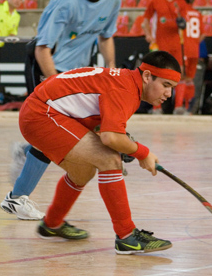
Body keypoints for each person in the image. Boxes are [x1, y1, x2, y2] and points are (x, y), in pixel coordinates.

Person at [0, 0, 120, 221]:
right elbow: (42, 49)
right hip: (48, 65)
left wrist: (111, 69)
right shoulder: (65, 3)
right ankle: (17, 198)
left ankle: (25, 154)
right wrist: (56, 89)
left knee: (65, 132)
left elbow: (105, 36)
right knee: (50, 133)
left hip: (77, 73)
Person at [19, 50, 180, 254]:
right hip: (41, 115)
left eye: (172, 88)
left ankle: (51, 224)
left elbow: (97, 122)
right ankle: (126, 236)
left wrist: (126, 144)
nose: (169, 94)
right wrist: (143, 153)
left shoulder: (126, 82)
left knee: (83, 172)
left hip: (44, 111)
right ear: (147, 76)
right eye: (166, 85)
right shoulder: (126, 89)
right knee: (109, 159)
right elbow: (110, 137)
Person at [142, 0, 189, 114]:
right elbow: (145, 20)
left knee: (180, 74)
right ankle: (156, 108)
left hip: (176, 44)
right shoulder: (155, 1)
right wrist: (148, 35)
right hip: (160, 44)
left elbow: (184, 23)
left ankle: (178, 107)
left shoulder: (181, 2)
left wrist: (182, 23)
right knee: (157, 76)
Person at [173, 0, 203, 115]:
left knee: (181, 77)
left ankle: (178, 107)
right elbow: (203, 33)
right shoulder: (197, 13)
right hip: (195, 49)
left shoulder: (182, 12)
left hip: (184, 47)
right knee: (190, 79)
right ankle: (189, 109)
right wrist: (194, 42)